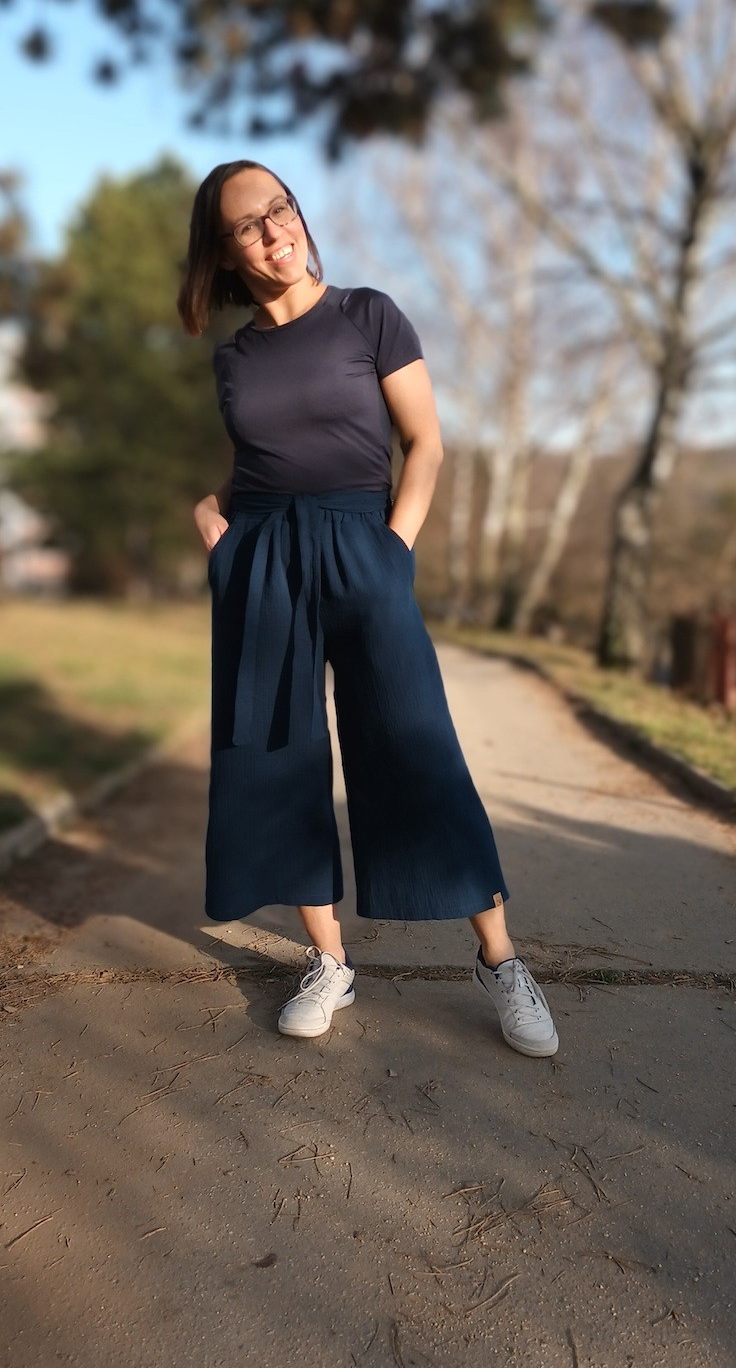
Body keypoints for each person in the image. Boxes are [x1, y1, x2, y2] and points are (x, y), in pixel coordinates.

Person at [177, 159, 558, 1058]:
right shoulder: (235, 358)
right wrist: (212, 513)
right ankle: (329, 961)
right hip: (263, 557)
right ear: (223, 254)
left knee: (414, 741)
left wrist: (394, 549)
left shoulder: (369, 315)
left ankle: (500, 959)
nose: (275, 230)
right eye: (248, 224)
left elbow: (424, 443)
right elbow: (262, 463)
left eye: (281, 208)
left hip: (363, 543)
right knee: (275, 754)